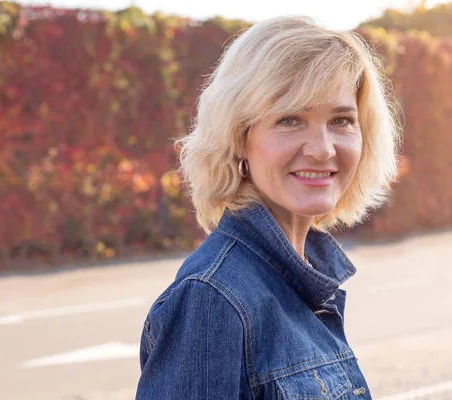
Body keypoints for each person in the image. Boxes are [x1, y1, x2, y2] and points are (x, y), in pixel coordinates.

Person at [136, 15, 400, 399]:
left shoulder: (301, 275)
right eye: (291, 119)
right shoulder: (214, 299)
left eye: (341, 120)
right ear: (239, 138)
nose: (323, 148)